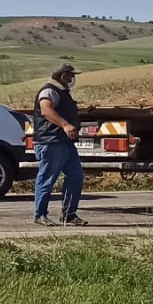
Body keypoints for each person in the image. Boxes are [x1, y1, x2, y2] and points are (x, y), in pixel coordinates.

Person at [32, 64, 86, 227]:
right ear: (62, 76)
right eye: (70, 76)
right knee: (47, 178)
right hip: (51, 142)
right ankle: (40, 214)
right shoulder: (49, 91)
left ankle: (69, 215)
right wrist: (65, 125)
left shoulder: (63, 93)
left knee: (76, 176)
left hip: (65, 143)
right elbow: (46, 110)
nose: (72, 79)